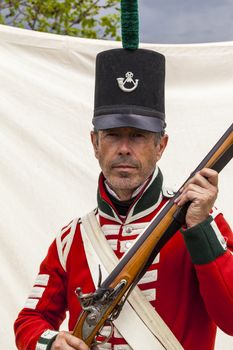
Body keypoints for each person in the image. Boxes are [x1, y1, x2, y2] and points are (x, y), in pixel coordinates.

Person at [14, 48, 233, 350]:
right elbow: (30, 319)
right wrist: (51, 343)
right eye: (114, 135)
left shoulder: (202, 220)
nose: (124, 149)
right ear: (95, 143)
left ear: (161, 145)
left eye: (139, 136)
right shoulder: (72, 238)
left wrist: (200, 229)